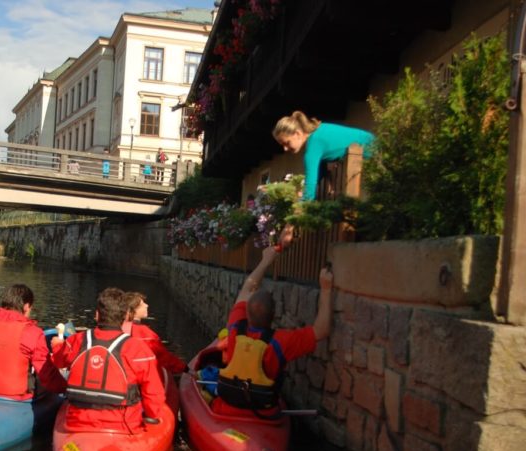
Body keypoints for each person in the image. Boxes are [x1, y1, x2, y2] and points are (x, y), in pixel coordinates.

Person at [212, 237, 333, 418]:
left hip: (228, 403)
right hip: (263, 410)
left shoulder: (235, 325)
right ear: (274, 315)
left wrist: (266, 260)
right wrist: (326, 289)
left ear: (246, 311)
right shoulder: (281, 341)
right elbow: (321, 330)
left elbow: (248, 288)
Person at [50, 287, 166, 432]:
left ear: (97, 315)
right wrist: (152, 416)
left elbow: (58, 361)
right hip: (121, 426)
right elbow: (153, 391)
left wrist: (57, 346)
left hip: (76, 423)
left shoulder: (76, 341)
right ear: (125, 315)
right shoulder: (138, 349)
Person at [0, 283, 66, 401]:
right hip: (16, 395)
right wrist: (66, 388)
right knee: (47, 385)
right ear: (26, 306)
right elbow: (45, 372)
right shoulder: (33, 332)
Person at [272, 110, 374, 201]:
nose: (285, 148)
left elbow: (310, 190)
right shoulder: (318, 134)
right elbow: (316, 176)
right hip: (373, 148)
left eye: (286, 143)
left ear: (298, 134)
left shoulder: (313, 147)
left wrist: (300, 206)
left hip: (373, 154)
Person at [122, 291, 187, 375]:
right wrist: (186, 369)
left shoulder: (119, 327)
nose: (147, 305)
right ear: (132, 311)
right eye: (142, 305)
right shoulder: (146, 334)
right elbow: (164, 357)